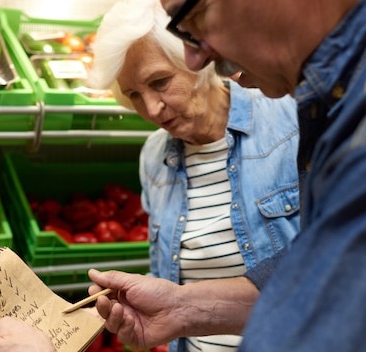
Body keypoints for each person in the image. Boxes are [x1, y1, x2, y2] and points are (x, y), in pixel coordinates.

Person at [0, 0, 366, 348]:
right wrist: (187, 307)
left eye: (192, 17)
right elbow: (315, 268)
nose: (198, 55)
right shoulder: (155, 159)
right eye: (134, 95)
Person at [87, 0, 300, 350]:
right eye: (134, 96)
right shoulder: (154, 157)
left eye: (160, 82)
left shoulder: (289, 123)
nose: (152, 109)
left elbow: (337, 266)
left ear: (197, 60)